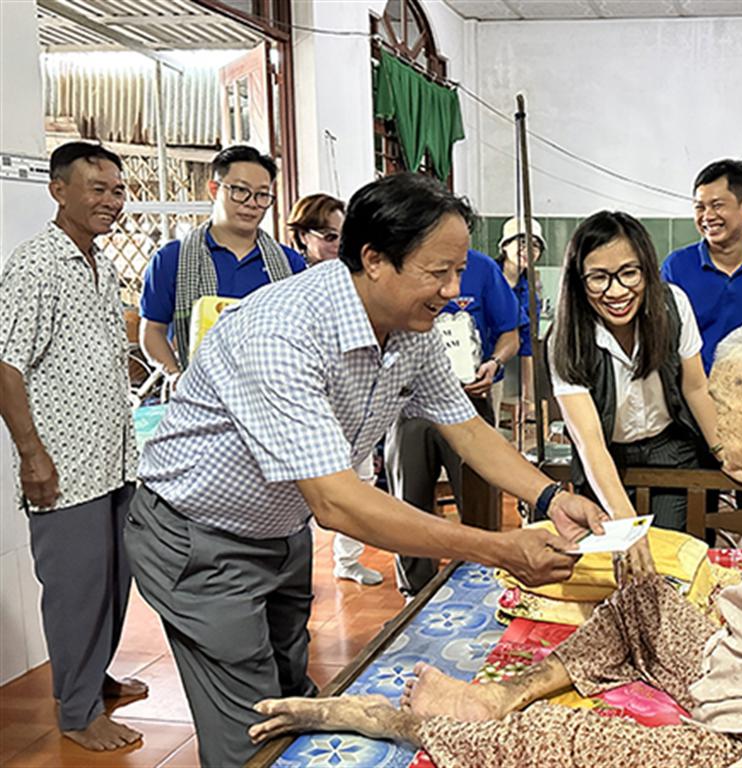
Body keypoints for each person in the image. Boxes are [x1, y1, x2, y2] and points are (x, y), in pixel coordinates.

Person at [122, 172, 607, 767]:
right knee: (252, 730)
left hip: (279, 529)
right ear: (374, 259)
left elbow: (467, 427)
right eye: (439, 272)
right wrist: (500, 549)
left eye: (459, 271)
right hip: (199, 540)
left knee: (296, 699)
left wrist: (548, 497)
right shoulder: (282, 331)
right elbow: (340, 504)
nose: (454, 290)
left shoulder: (409, 326)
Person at [248, 317, 742, 767]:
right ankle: (501, 695)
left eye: (724, 395)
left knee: (566, 740)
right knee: (648, 601)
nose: (710, 405)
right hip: (740, 677)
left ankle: (404, 724)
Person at [0, 142, 146, 751]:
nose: (110, 201)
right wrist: (32, 455)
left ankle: (94, 677)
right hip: (63, 466)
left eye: (117, 190)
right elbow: (6, 367)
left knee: (116, 579)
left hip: (112, 457)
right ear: (59, 190)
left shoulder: (99, 264)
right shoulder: (35, 264)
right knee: (76, 588)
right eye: (97, 188)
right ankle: (77, 710)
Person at [548, 211, 723, 534]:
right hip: (606, 455)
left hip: (671, 448)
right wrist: (627, 526)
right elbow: (589, 443)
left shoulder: (673, 306)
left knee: (672, 547)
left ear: (647, 269)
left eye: (629, 273)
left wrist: (726, 455)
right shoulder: (567, 336)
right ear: (578, 279)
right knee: (616, 552)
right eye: (598, 278)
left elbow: (696, 388)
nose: (616, 292)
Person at [384, 245, 523, 595]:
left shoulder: (483, 269)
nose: (451, 286)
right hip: (407, 404)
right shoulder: (395, 265)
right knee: (408, 501)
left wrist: (494, 362)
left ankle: (483, 586)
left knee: (478, 496)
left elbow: (511, 333)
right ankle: (415, 593)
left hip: (469, 401)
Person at [138, 145, 307, 378]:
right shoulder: (170, 259)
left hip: (272, 395)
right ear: (214, 189)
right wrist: (176, 375)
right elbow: (152, 332)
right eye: (240, 190)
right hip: (199, 396)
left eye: (262, 194)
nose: (251, 203)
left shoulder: (290, 265)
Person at [288, 192, 385, 586]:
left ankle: (348, 560)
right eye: (327, 236)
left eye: (342, 237)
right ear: (302, 238)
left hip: (351, 408)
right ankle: (297, 572)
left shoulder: (360, 289)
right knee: (302, 496)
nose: (336, 246)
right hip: (301, 410)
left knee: (360, 484)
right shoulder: (290, 288)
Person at [661, 159, 742, 374]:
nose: (707, 217)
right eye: (700, 207)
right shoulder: (677, 267)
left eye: (717, 205)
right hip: (693, 395)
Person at [495, 216, 543, 420]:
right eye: (522, 242)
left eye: (536, 245)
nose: (529, 250)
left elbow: (528, 347)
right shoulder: (488, 279)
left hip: (494, 371)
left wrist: (528, 398)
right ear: (505, 246)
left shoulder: (530, 293)